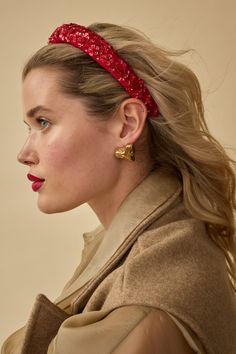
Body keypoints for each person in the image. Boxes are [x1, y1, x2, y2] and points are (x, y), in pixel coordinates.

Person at [1, 22, 236, 354]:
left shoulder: (142, 306)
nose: (24, 154)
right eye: (30, 127)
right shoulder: (166, 239)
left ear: (127, 125)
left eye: (44, 122)